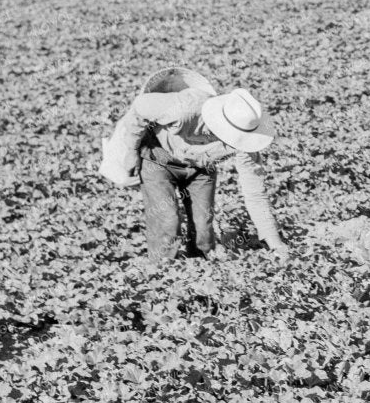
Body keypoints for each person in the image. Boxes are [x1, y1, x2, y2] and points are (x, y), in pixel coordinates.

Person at [98, 66, 292, 262]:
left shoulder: (246, 143)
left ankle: (198, 274)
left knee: (203, 229)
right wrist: (131, 150)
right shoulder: (186, 107)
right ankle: (160, 274)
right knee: (167, 221)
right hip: (158, 159)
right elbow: (140, 107)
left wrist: (274, 242)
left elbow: (255, 192)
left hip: (201, 169)